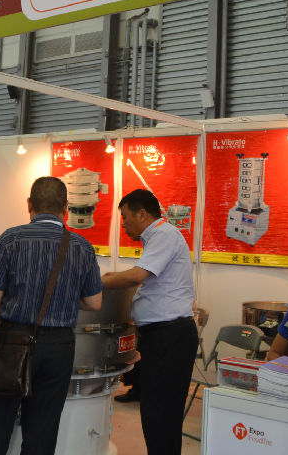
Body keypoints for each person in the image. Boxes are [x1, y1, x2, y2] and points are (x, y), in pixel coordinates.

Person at [0, 177, 103, 455]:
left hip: (11, 341)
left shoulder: (10, 239)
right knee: (42, 430)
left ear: (29, 204)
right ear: (65, 207)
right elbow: (94, 302)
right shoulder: (81, 246)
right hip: (58, 347)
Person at [101, 189, 197, 455]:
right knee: (157, 412)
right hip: (162, 336)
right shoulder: (157, 238)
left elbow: (136, 276)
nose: (123, 224)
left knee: (161, 413)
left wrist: (95, 283)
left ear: (142, 214)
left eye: (125, 217)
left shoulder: (164, 235)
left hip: (170, 336)